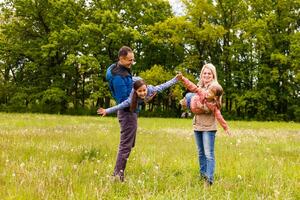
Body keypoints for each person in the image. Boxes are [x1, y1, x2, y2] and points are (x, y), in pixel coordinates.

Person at [180, 63, 230, 186]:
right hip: (197, 124)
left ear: (213, 75)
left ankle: (209, 180)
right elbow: (191, 86)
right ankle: (202, 176)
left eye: (209, 73)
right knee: (201, 153)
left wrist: (226, 127)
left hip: (209, 127)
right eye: (204, 73)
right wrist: (183, 79)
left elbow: (217, 113)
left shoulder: (216, 88)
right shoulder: (201, 89)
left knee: (209, 154)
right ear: (202, 74)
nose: (206, 75)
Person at [101, 46, 135, 182]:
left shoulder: (120, 69)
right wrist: (143, 97)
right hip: (127, 113)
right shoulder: (118, 77)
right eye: (129, 60)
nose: (131, 63)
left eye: (133, 60)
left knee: (128, 144)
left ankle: (118, 173)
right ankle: (117, 176)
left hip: (131, 113)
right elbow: (124, 100)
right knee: (125, 145)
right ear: (121, 58)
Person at [98, 75, 179, 116]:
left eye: (144, 90)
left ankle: (137, 81)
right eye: (140, 91)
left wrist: (176, 79)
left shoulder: (152, 89)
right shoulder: (131, 98)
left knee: (139, 80)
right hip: (131, 83)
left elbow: (164, 85)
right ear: (136, 91)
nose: (143, 93)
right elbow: (120, 106)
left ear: (147, 88)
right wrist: (107, 110)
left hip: (138, 81)